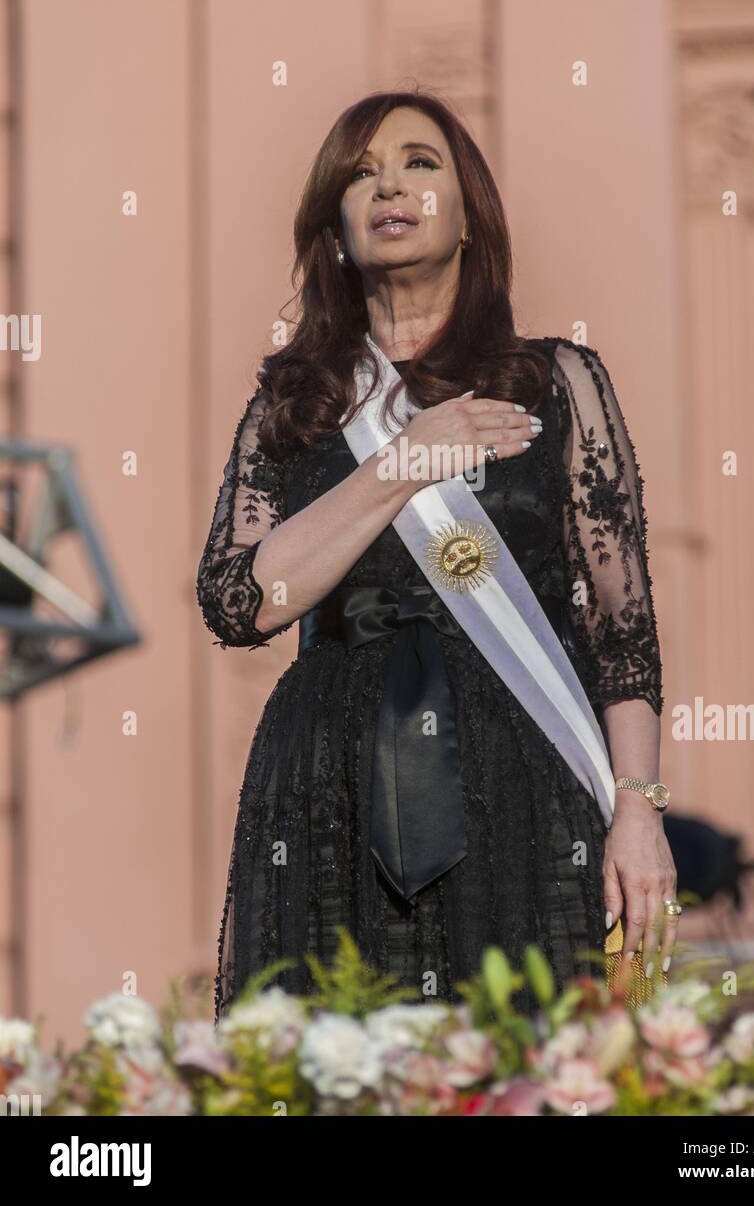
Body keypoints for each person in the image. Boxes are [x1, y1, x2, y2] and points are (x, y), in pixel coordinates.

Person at [196, 88, 677, 1021]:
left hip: (524, 773)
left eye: (421, 163)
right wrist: (404, 463)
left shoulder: (555, 382)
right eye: (361, 173)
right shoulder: (291, 408)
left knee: (533, 1056)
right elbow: (239, 601)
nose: (391, 185)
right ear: (333, 230)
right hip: (329, 786)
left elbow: (621, 632)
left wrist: (638, 810)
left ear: (468, 217)